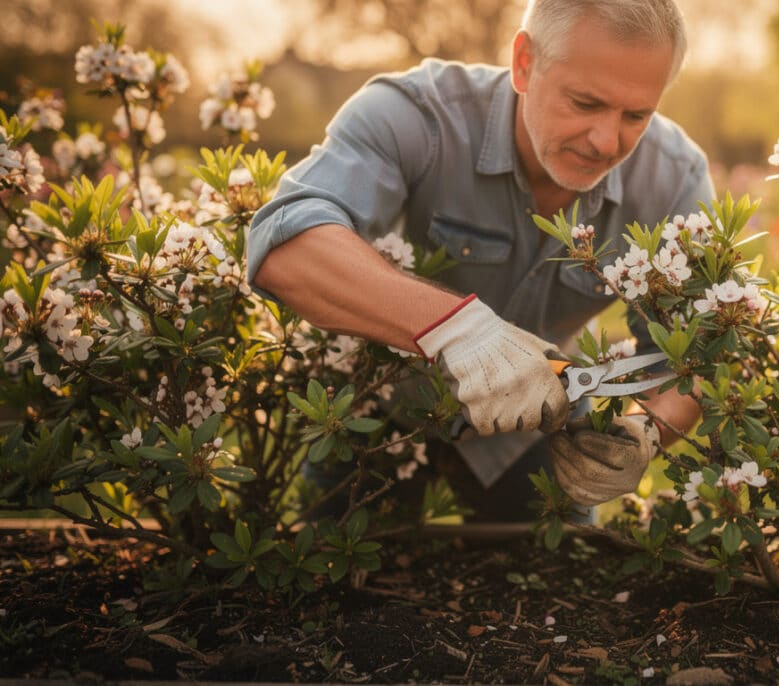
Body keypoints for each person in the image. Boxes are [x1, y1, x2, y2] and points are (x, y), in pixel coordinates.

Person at [247, 0, 713, 520]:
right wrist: (457, 330)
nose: (607, 141)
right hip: (375, 415)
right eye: (584, 103)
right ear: (524, 63)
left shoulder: (675, 180)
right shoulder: (417, 114)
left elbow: (692, 358)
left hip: (537, 432)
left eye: (636, 116)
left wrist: (643, 433)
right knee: (329, 581)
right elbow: (283, 244)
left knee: (559, 588)